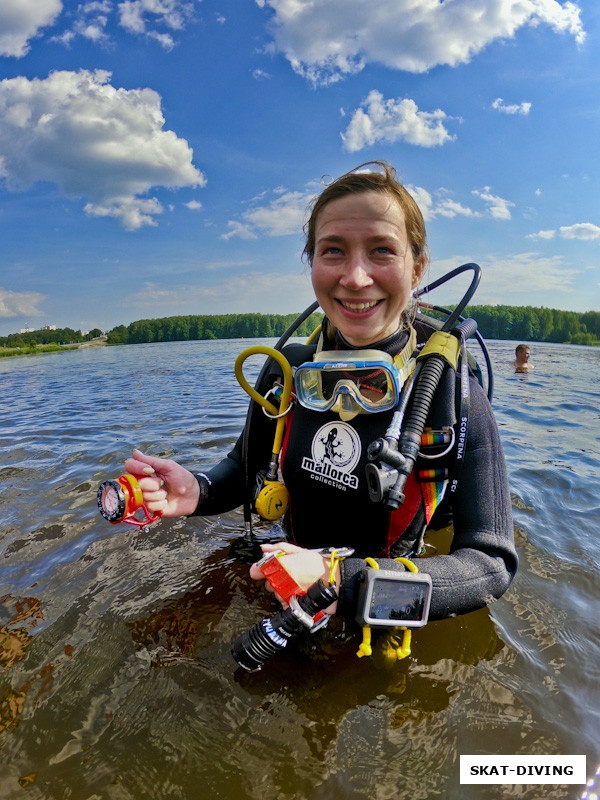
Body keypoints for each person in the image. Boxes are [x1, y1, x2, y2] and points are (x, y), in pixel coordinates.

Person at [124, 161, 517, 637]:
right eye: (334, 250)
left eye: (381, 251)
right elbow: (243, 471)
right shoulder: (285, 371)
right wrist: (198, 489)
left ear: (417, 267)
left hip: (379, 603)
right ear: (311, 261)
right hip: (279, 574)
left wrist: (342, 583)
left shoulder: (452, 393)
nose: (355, 277)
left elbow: (490, 565)